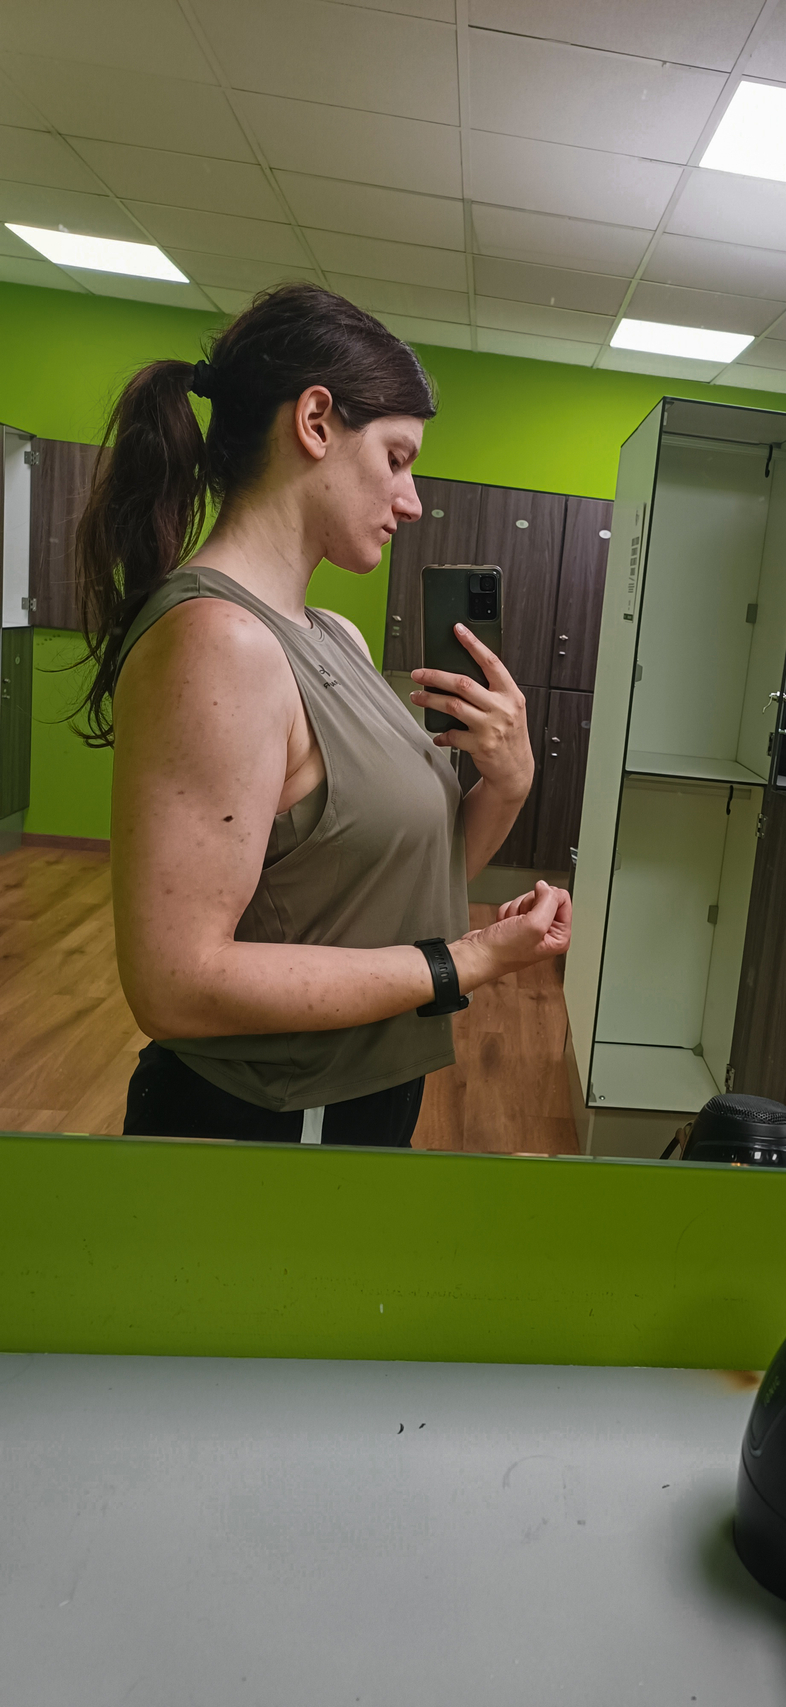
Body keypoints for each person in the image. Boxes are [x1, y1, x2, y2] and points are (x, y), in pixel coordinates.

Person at [76, 282, 571, 1147]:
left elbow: (401, 884)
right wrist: (464, 961)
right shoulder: (219, 641)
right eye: (397, 457)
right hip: (264, 1123)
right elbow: (174, 984)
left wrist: (508, 782)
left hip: (364, 1096)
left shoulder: (335, 633)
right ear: (314, 422)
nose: (412, 500)